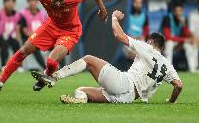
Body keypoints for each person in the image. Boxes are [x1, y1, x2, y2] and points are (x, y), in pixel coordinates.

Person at [0, 0, 107, 93]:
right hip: (51, 26)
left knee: (51, 61)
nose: (58, 3)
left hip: (70, 31)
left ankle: (47, 76)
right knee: (23, 51)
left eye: (62, 0)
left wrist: (103, 10)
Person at [35, 10, 182, 104]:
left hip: (125, 83)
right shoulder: (168, 65)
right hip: (130, 98)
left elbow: (119, 35)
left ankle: (54, 77)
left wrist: (114, 18)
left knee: (88, 59)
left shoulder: (147, 47)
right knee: (81, 90)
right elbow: (178, 85)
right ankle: (80, 100)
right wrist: (171, 101)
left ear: (150, 42)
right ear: (162, 47)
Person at [0, 0, 21, 71]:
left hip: (10, 37)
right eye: (8, 2)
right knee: (4, 43)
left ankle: (19, 66)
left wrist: (18, 39)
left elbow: (17, 29)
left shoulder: (17, 15)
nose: (10, 4)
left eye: (12, 2)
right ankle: (3, 65)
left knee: (16, 44)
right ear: (4, 3)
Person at [20, 0, 47, 70]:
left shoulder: (42, 14)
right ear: (28, 2)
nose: (32, 3)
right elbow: (24, 30)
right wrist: (35, 37)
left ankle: (59, 67)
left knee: (57, 45)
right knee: (34, 47)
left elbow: (46, 28)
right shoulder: (23, 14)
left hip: (42, 38)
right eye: (30, 0)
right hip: (28, 39)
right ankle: (45, 68)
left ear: (37, 2)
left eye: (34, 0)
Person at [161, 2, 193, 68]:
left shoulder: (184, 19)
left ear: (182, 11)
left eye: (180, 11)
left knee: (188, 45)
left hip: (178, 42)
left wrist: (183, 24)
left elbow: (187, 35)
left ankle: (192, 68)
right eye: (176, 11)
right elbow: (167, 37)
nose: (178, 13)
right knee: (169, 44)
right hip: (164, 43)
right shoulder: (167, 18)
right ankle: (168, 70)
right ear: (173, 11)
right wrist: (184, 39)